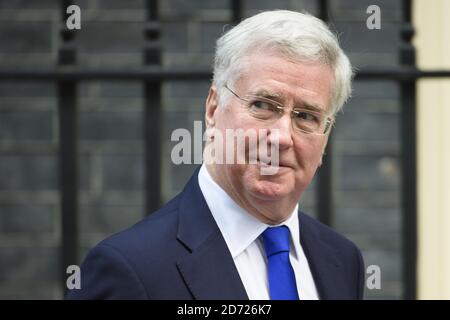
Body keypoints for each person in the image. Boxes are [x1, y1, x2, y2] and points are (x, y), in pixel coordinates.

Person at [67, 10, 364, 300]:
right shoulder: (129, 269)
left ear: (325, 138)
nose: (282, 137)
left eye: (307, 116)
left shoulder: (342, 261)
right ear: (212, 109)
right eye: (262, 105)